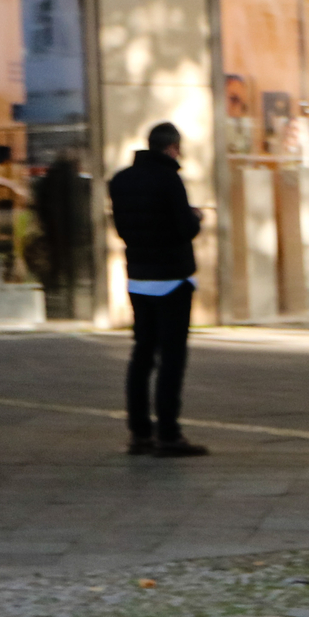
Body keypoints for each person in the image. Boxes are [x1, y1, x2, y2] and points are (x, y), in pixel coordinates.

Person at [107, 122, 207, 457]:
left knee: (142, 354)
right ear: (173, 148)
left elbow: (122, 228)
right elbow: (184, 228)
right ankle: (168, 433)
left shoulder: (120, 181)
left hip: (138, 276)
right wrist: (196, 218)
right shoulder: (169, 179)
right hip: (172, 278)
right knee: (172, 357)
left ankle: (139, 432)